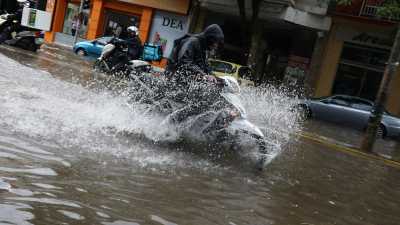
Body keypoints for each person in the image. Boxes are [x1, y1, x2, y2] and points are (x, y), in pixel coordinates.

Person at [164, 24, 225, 124]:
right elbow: (184, 61)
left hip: (188, 80)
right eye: (215, 42)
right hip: (176, 78)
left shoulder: (203, 48)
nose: (215, 45)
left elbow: (206, 66)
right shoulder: (192, 42)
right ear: (210, 38)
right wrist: (204, 75)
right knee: (199, 100)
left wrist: (217, 78)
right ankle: (174, 122)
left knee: (207, 97)